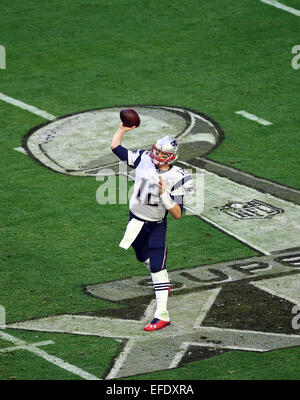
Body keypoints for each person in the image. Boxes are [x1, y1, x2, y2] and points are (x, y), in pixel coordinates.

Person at [111, 123, 194, 331]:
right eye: (156, 150)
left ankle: (162, 314)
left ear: (171, 157)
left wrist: (164, 194)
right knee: (142, 257)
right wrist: (122, 129)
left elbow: (177, 214)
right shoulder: (143, 158)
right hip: (135, 220)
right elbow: (116, 148)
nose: (156, 155)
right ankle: (162, 283)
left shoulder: (179, 176)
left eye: (162, 153)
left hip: (156, 225)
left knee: (157, 266)